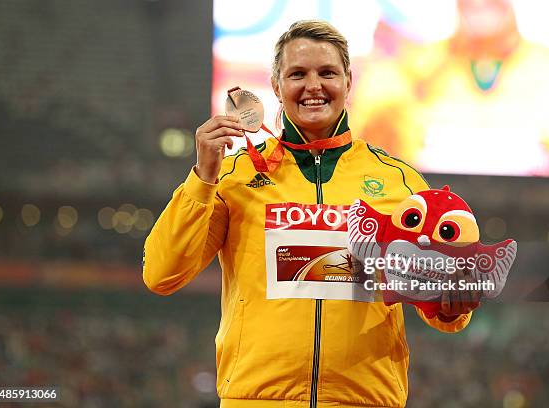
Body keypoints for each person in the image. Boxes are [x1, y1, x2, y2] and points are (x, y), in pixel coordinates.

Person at [144, 20, 479, 408]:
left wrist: (451, 304)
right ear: (276, 86)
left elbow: (443, 309)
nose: (314, 86)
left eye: (328, 73)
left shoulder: (398, 183)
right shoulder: (235, 178)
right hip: (257, 399)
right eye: (298, 74)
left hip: (364, 400)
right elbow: (161, 274)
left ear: (349, 81)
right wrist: (203, 177)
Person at [351, 0, 549, 177]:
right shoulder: (412, 68)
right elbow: (370, 137)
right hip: (429, 224)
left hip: (531, 222)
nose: (481, 4)